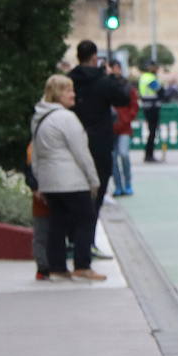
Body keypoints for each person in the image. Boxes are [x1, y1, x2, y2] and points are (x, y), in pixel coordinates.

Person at [31, 74, 106, 281]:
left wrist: (39, 180)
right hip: (71, 180)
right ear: (57, 94)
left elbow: (35, 152)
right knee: (86, 218)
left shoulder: (39, 117)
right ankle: (82, 265)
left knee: (58, 223)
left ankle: (57, 266)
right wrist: (93, 180)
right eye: (68, 91)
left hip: (50, 181)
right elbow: (81, 152)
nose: (73, 95)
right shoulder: (66, 118)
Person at [68, 40, 129, 238]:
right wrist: (114, 77)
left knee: (74, 190)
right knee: (98, 190)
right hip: (100, 143)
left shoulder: (70, 80)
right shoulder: (103, 81)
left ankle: (74, 237)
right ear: (95, 58)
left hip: (73, 142)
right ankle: (88, 239)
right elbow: (123, 99)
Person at [108, 60, 139, 197]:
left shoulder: (127, 87)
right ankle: (118, 185)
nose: (116, 70)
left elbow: (134, 105)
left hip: (124, 126)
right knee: (113, 159)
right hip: (110, 127)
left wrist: (127, 118)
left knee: (124, 154)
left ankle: (128, 183)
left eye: (117, 68)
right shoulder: (106, 85)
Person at [139, 60, 163, 162]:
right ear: (151, 67)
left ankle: (149, 154)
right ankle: (149, 155)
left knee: (152, 132)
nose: (157, 69)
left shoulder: (144, 77)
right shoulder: (149, 78)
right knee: (152, 132)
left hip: (147, 107)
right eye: (155, 67)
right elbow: (160, 91)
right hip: (151, 108)